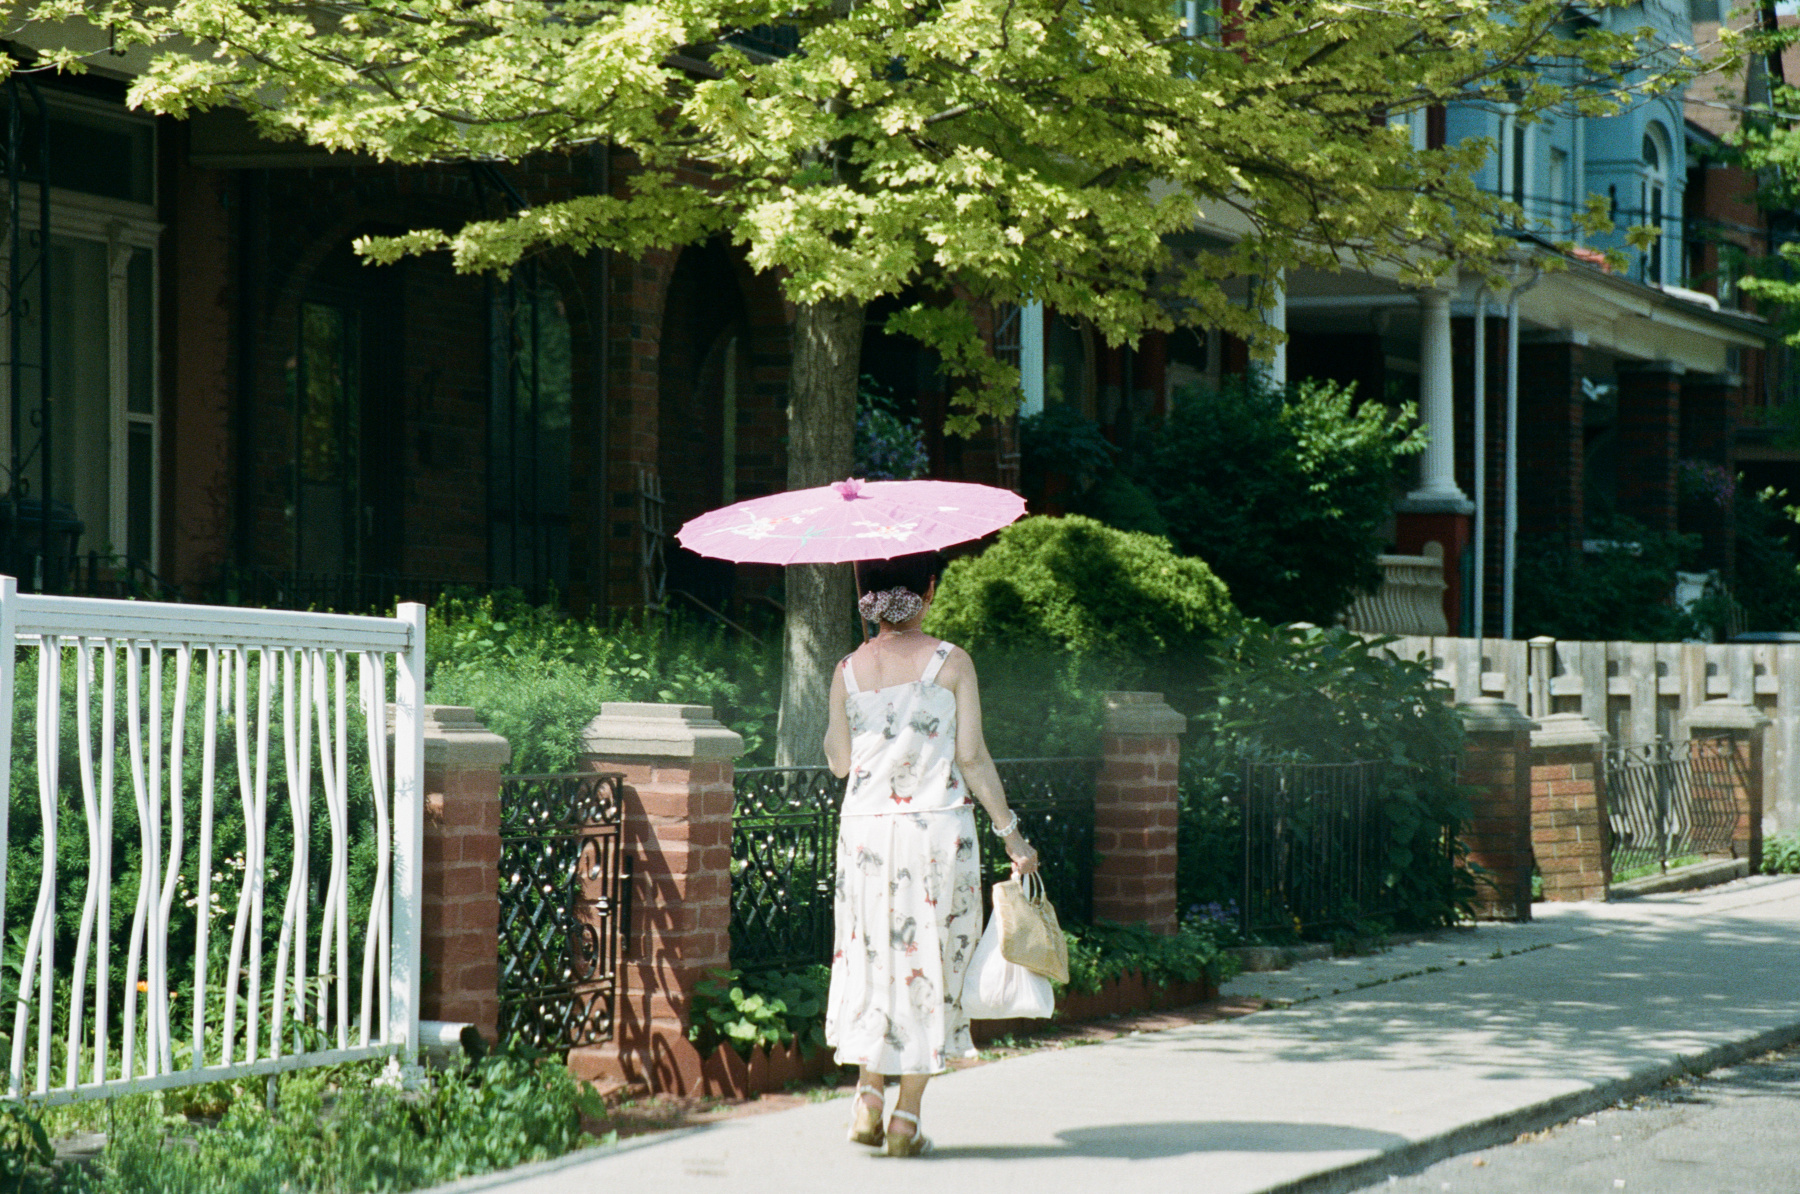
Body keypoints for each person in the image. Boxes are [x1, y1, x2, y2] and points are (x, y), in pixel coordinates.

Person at [822, 550, 1040, 1157]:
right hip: (932, 833)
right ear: (930, 589)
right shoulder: (952, 663)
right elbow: (970, 757)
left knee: (869, 956)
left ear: (865, 595)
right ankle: (906, 1118)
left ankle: (867, 1093)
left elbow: (840, 763)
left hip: (865, 833)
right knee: (929, 959)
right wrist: (1010, 832)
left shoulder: (847, 669)